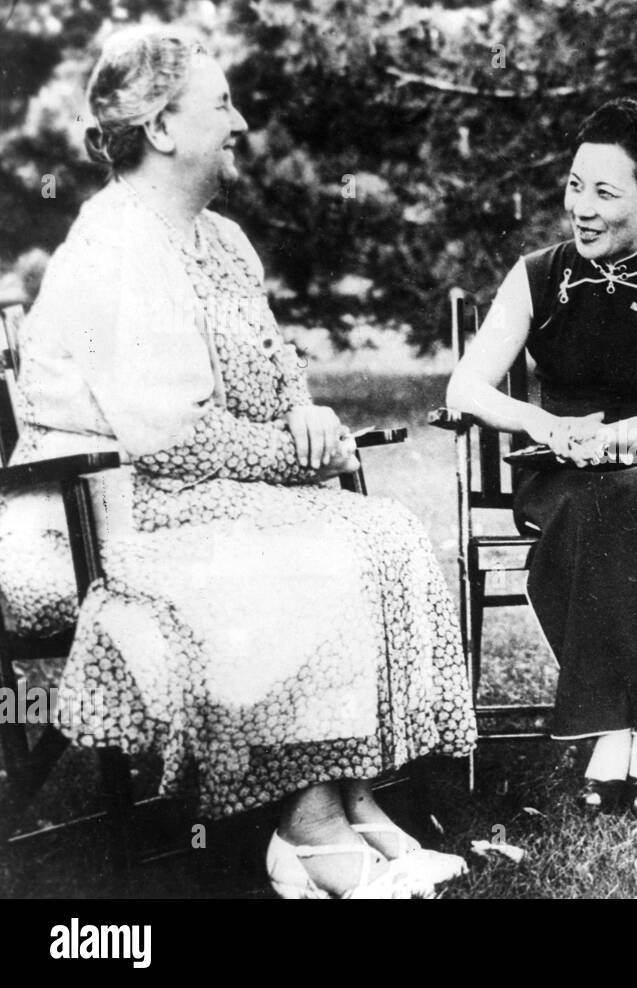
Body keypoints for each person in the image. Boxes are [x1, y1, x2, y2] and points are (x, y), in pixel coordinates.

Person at [0, 26, 476, 897]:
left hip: (191, 490)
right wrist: (292, 462)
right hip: (94, 511)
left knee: (377, 532)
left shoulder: (223, 242)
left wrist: (308, 416)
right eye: (221, 104)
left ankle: (350, 799)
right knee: (299, 552)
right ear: (161, 129)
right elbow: (166, 437)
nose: (241, 121)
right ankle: (307, 830)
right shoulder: (115, 247)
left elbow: (272, 376)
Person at [445, 99, 637, 816]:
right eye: (575, 186)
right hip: (557, 474)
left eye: (605, 192)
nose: (582, 208)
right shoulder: (536, 273)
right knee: (599, 502)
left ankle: (616, 724)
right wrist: (544, 422)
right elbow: (466, 385)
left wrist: (606, 440)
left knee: (627, 493)